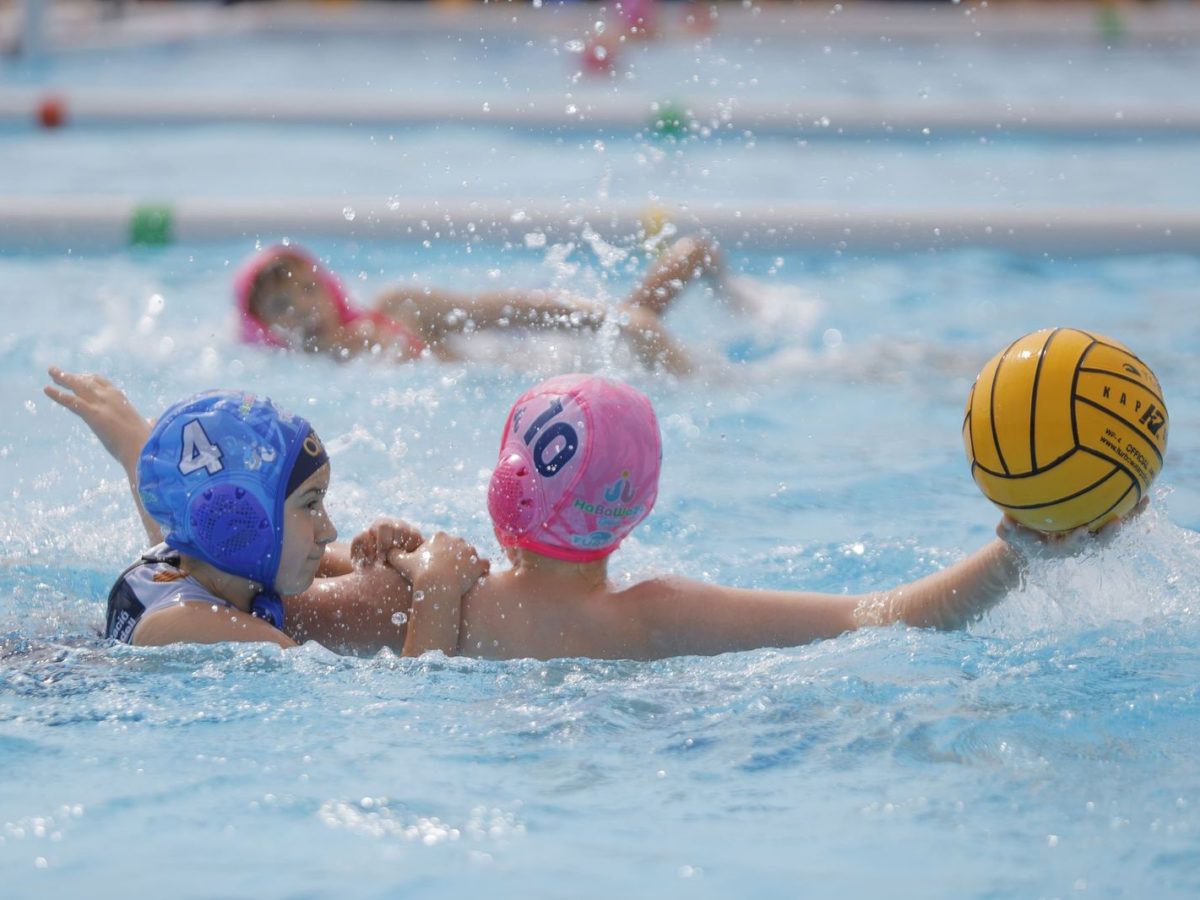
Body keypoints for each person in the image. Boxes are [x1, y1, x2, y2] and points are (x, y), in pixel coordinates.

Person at [46, 369, 1130, 660]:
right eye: (317, 512)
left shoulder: (342, 589)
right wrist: (1015, 547)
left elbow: (218, 535)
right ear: (634, 510)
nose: (332, 531)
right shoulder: (644, 619)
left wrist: (138, 438)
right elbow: (875, 618)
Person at [44, 369, 485, 654]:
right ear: (240, 525)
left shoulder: (201, 556)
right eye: (310, 505)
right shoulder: (197, 625)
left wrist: (377, 552)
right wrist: (437, 588)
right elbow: (405, 711)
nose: (329, 530)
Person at [235, 236, 731, 374]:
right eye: (280, 303)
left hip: (554, 358)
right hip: (540, 382)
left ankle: (702, 264)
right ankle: (693, 256)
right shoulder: (307, 376)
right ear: (263, 327)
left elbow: (506, 308)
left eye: (306, 287)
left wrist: (610, 320)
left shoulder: (397, 308)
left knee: (645, 332)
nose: (301, 306)